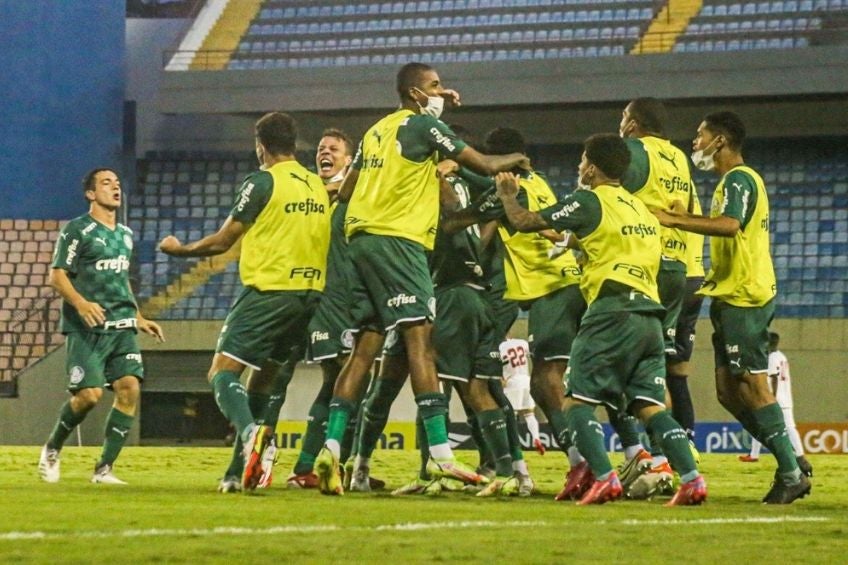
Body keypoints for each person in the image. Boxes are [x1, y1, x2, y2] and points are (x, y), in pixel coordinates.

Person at [313, 62, 529, 495]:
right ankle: (442, 457)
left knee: (365, 350)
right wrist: (519, 159)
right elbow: (485, 163)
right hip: (400, 243)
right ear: (415, 93)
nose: (441, 92)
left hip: (361, 241)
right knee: (421, 344)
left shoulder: (377, 131)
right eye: (434, 86)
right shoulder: (421, 126)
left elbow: (349, 189)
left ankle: (333, 448)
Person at [497, 133, 706, 506]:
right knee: (649, 406)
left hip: (612, 310)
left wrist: (508, 194)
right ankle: (692, 479)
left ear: (591, 167)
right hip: (650, 315)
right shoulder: (640, 209)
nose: (579, 168)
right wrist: (576, 243)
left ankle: (606, 478)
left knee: (575, 402)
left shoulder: (589, 200)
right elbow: (617, 242)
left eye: (581, 161)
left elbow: (525, 222)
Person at [159, 112, 330, 492]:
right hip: (309, 299)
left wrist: (179, 249)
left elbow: (223, 241)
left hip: (269, 292)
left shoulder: (263, 181)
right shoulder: (316, 186)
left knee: (221, 373)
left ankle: (254, 435)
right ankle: (237, 474)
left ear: (261, 146)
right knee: (262, 385)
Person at [654, 111, 811, 504]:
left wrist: (674, 219)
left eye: (700, 135)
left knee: (754, 386)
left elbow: (730, 225)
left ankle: (791, 472)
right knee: (727, 391)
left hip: (746, 295)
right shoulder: (728, 182)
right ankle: (788, 456)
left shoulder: (739, 179)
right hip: (729, 295)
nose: (695, 142)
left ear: (719, 140)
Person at [38, 168, 165, 485]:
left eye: (118, 183)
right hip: (87, 328)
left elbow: (121, 282)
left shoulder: (125, 234)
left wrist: (138, 317)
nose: (115, 188)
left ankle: (104, 468)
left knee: (129, 389)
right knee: (89, 396)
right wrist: (81, 303)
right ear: (91, 194)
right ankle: (52, 448)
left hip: (121, 327)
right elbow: (56, 276)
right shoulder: (77, 231)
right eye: (106, 183)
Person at [617, 98, 702, 497]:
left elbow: (607, 189)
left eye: (622, 120)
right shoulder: (678, 158)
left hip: (645, 265)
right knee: (662, 367)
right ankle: (669, 456)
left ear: (632, 123)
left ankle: (657, 457)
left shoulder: (636, 151)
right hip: (680, 265)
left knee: (632, 366)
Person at [740, 333, 813, 477]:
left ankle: (800, 455)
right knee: (760, 422)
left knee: (789, 428)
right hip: (785, 397)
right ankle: (754, 454)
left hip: (778, 399)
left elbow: (774, 378)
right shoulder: (781, 356)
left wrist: (772, 396)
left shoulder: (772, 358)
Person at [499, 336, 546, 455]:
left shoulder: (499, 347)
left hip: (512, 382)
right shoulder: (522, 343)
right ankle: (536, 438)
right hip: (526, 380)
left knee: (510, 415)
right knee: (529, 414)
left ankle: (513, 446)